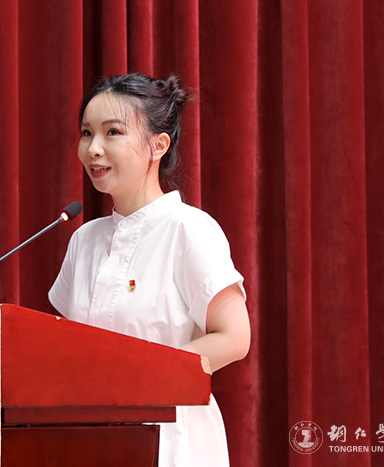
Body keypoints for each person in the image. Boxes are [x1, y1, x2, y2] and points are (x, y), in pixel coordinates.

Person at [48, 73, 251, 467]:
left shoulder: (188, 229)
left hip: (172, 437)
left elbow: (234, 338)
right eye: (87, 133)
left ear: (158, 145)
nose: (93, 149)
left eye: (113, 132)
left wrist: (139, 377)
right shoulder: (83, 240)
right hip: (92, 440)